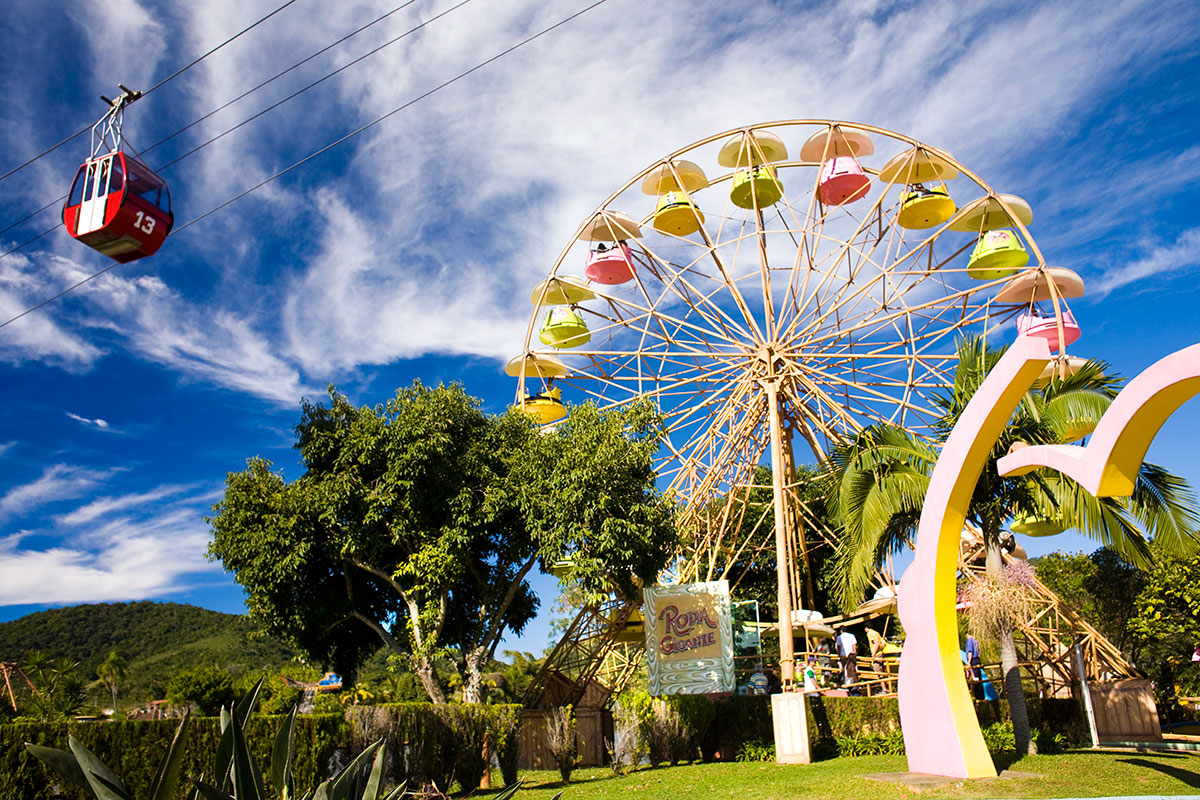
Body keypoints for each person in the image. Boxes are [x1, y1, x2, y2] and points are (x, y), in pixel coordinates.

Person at [965, 633, 983, 699]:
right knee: (979, 678)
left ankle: (977, 696)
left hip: (973, 660)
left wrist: (969, 662)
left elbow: (970, 652)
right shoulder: (976, 640)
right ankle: (981, 695)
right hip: (977, 659)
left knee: (975, 678)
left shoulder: (970, 640)